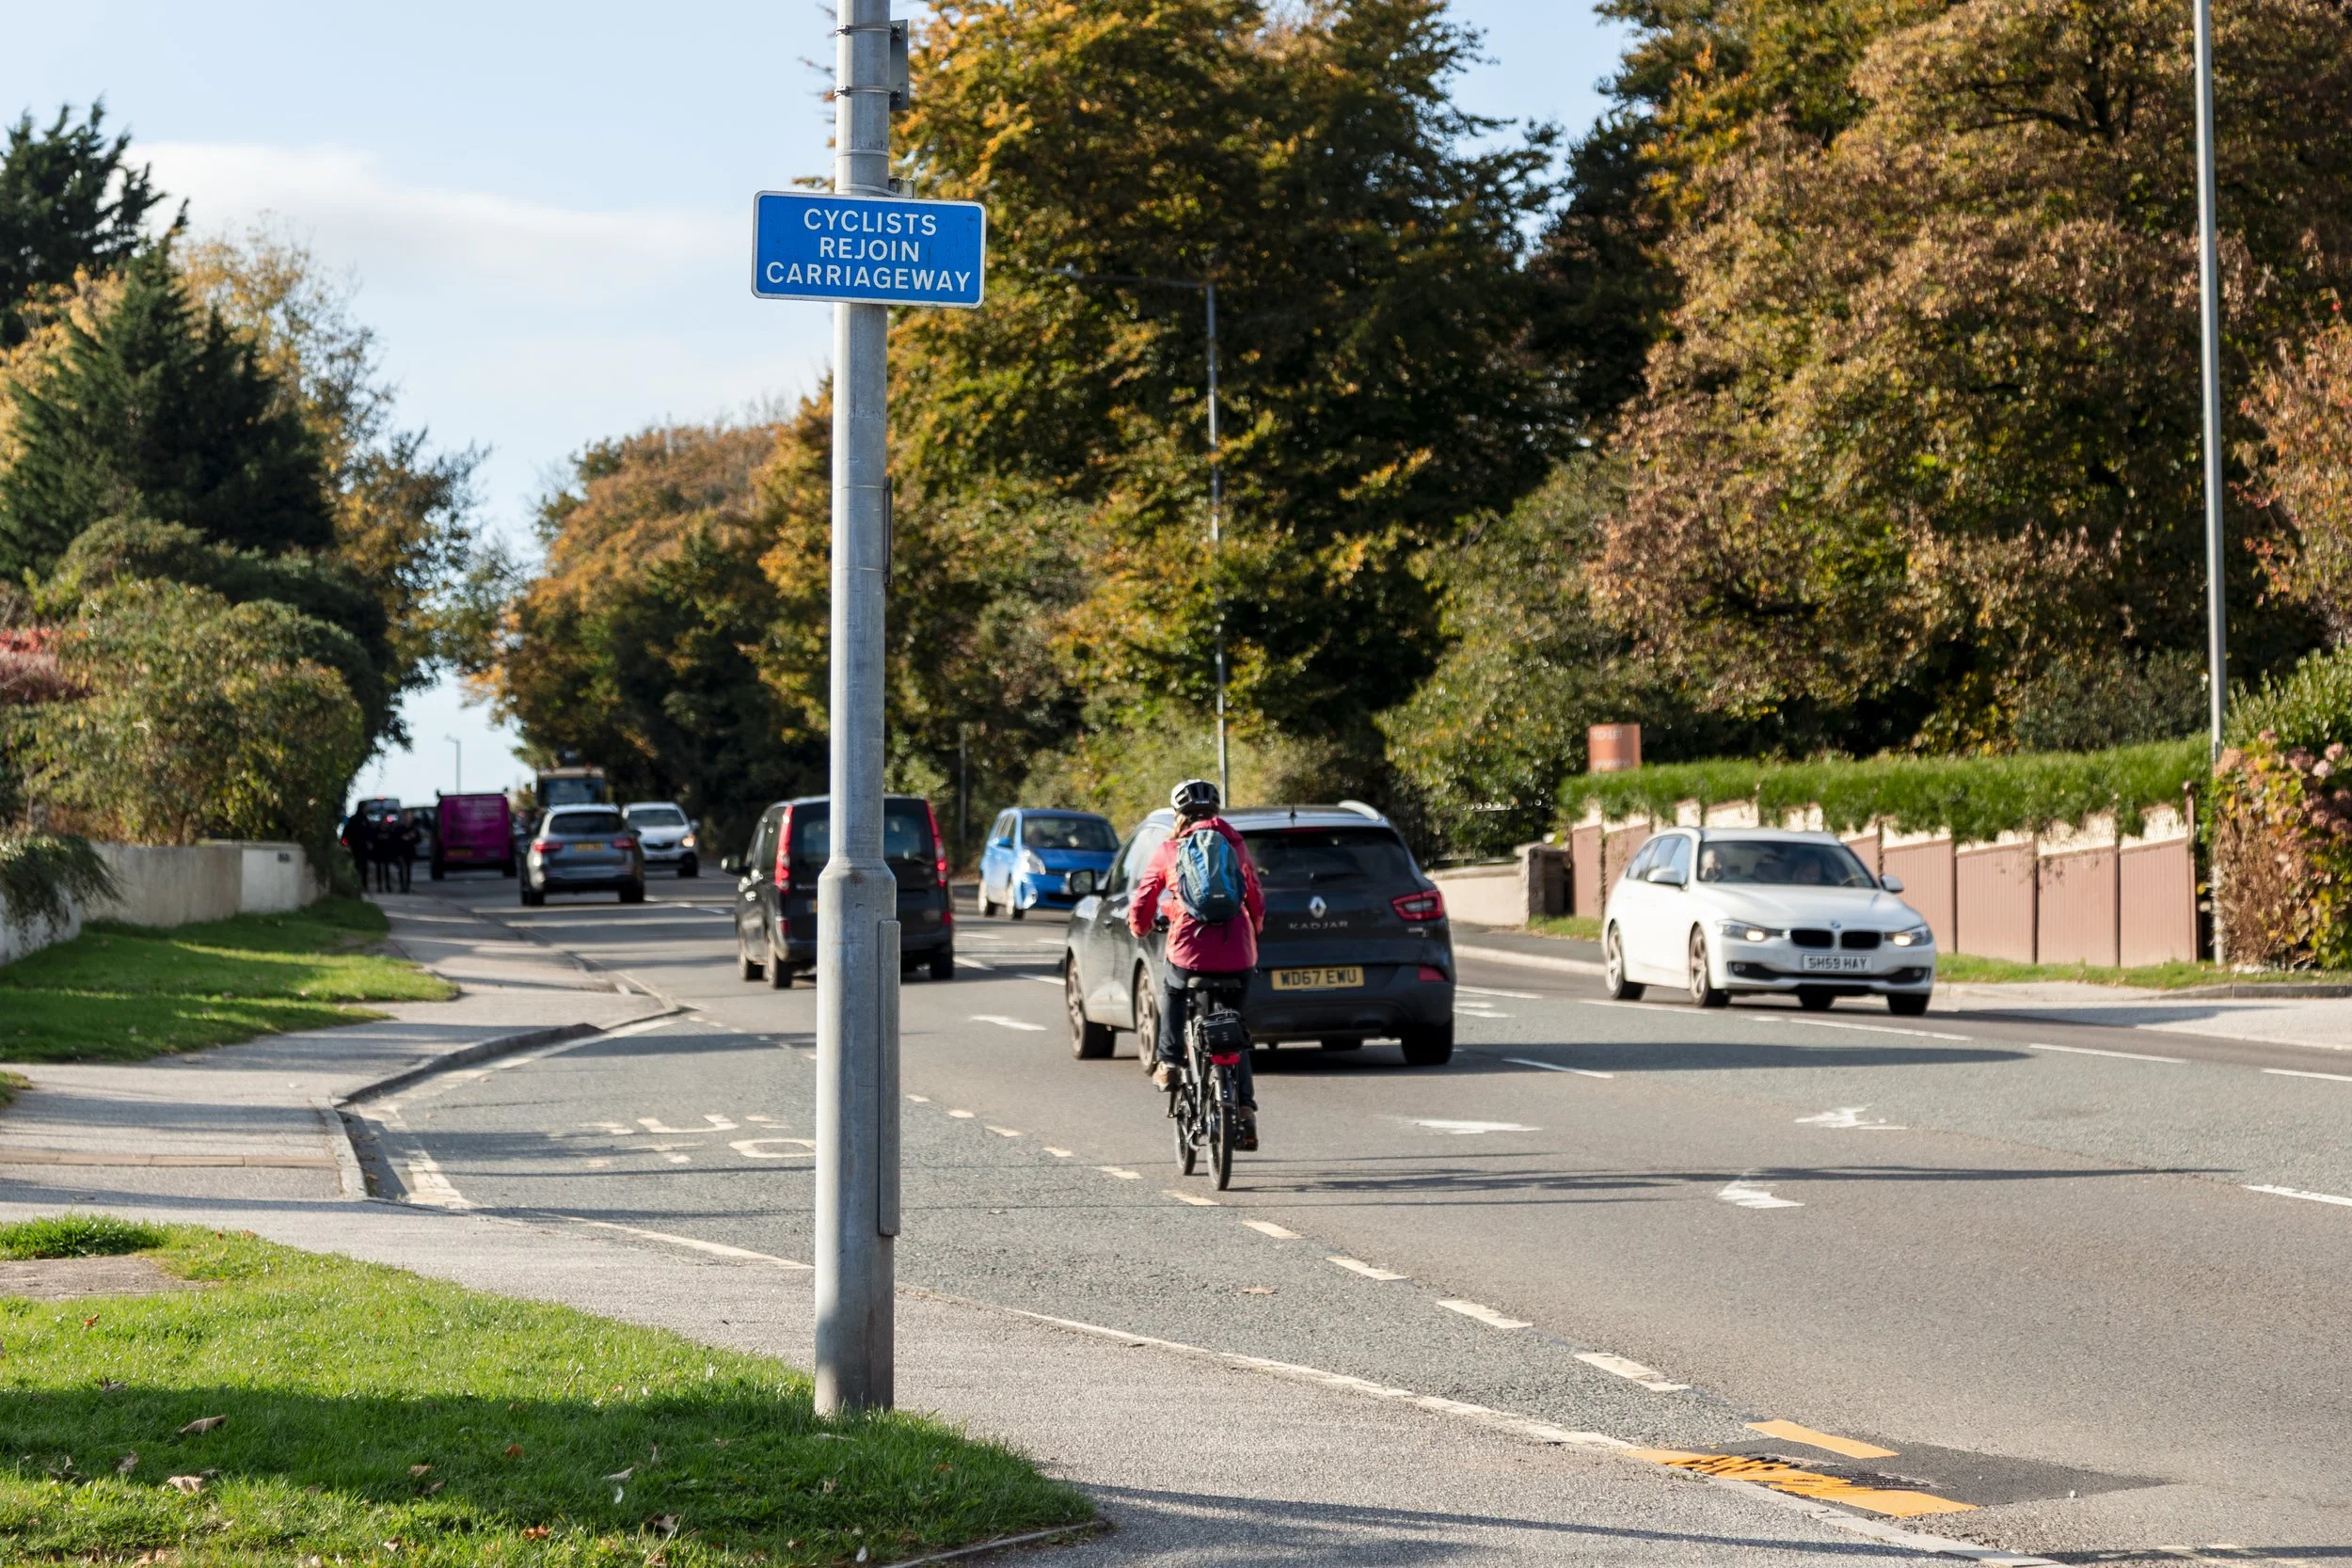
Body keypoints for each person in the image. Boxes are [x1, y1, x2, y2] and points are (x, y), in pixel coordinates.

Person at [1130, 778, 1266, 1149]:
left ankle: (1170, 1062)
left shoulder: (1169, 849)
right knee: (1235, 1034)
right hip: (1238, 952)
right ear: (1216, 813)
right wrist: (1254, 929)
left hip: (1189, 951)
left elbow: (1143, 901)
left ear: (1179, 815)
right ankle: (1245, 1111)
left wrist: (1141, 928)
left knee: (1173, 990)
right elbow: (1253, 893)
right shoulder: (1235, 844)